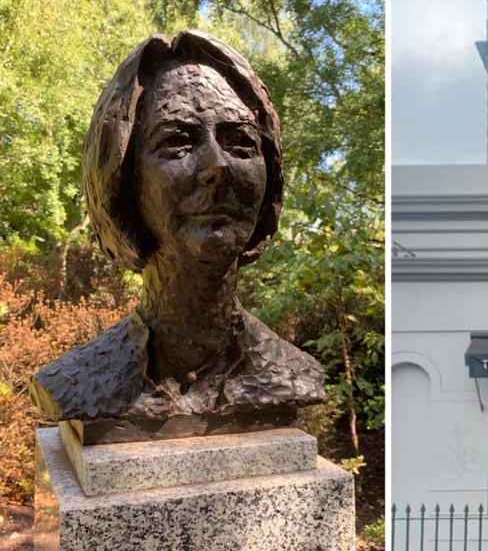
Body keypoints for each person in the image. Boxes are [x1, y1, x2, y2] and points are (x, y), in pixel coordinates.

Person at [29, 31, 324, 442]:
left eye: (240, 142)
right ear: (124, 182)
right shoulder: (76, 382)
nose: (216, 166)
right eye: (176, 142)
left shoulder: (291, 373)